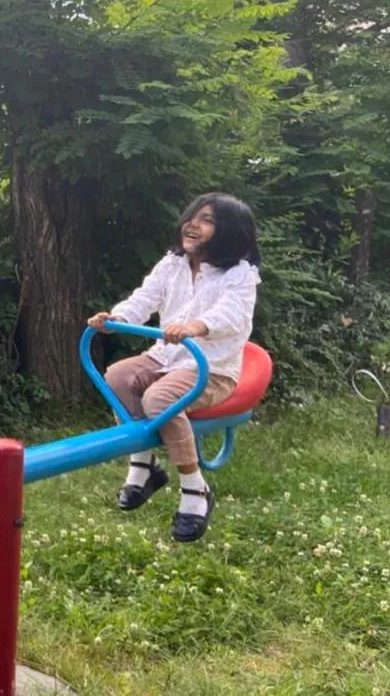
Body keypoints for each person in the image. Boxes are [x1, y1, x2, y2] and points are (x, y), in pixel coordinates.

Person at [87, 192, 260, 543]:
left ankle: (195, 489)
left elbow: (233, 314)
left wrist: (197, 326)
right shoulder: (173, 264)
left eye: (207, 220)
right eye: (191, 216)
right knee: (117, 376)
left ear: (230, 232)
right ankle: (144, 464)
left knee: (160, 398)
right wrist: (117, 318)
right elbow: (145, 298)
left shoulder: (240, 275)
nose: (193, 225)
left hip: (212, 367)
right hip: (167, 357)